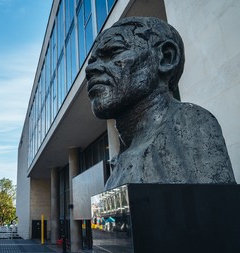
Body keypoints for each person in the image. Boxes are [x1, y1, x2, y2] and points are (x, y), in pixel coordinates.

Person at [85, 17, 236, 190]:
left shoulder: (190, 124)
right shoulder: (120, 163)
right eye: (92, 61)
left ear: (166, 58)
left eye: (113, 52)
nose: (90, 69)